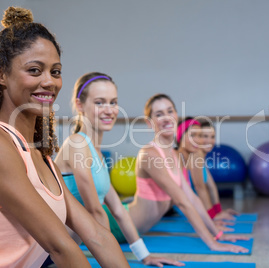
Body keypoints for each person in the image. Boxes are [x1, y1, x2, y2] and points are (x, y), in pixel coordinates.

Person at [0, 7, 129, 268]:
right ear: (0, 74)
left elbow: (98, 236)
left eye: (55, 71)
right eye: (34, 70)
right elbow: (60, 247)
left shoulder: (43, 157)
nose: (49, 82)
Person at [55, 72, 183, 267]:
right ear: (80, 105)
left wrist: (144, 256)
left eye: (113, 102)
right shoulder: (77, 144)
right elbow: (95, 212)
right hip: (45, 253)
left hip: (64, 251)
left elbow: (118, 210)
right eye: (99, 103)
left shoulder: (96, 152)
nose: (109, 110)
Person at [127, 94, 249, 253]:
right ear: (149, 123)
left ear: (176, 115)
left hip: (136, 226)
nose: (166, 117)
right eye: (159, 114)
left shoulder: (173, 154)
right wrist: (213, 244)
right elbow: (182, 202)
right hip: (120, 226)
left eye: (170, 111)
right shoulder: (149, 154)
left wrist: (218, 234)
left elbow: (192, 197)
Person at [176, 117, 239, 221]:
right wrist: (213, 216)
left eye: (212, 137)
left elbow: (211, 187)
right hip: (183, 209)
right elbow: (200, 188)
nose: (209, 141)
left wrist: (218, 211)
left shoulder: (200, 157)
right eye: (204, 136)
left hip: (193, 206)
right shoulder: (196, 155)